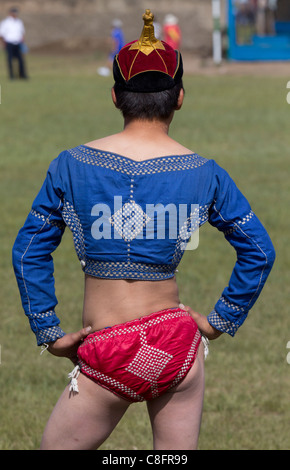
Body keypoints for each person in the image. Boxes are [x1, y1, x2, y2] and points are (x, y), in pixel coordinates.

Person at [12, 9, 275, 450]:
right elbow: (260, 250)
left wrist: (48, 329)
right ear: (181, 97)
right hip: (178, 343)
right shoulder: (205, 172)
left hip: (108, 348)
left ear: (115, 97)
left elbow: (29, 249)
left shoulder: (71, 165)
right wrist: (216, 322)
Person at [0, 7, 28, 79]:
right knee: (10, 60)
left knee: (21, 60)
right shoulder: (5, 22)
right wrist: (4, 43)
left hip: (18, 43)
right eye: (14, 12)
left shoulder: (19, 22)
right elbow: (1, 34)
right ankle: (11, 76)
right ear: (10, 13)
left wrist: (22, 43)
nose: (15, 14)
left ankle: (22, 75)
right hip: (9, 43)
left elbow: (22, 33)